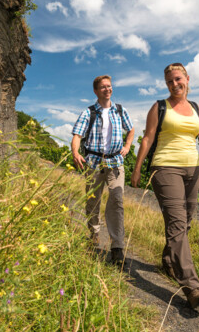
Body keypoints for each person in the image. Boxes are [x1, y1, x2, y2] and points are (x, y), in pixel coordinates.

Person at [130, 63, 199, 309]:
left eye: (178, 79)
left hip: (193, 169)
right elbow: (148, 138)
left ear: (187, 78)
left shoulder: (195, 108)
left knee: (185, 223)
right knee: (176, 224)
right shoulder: (159, 107)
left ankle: (169, 261)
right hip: (165, 168)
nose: (174, 85)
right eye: (170, 82)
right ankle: (192, 287)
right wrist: (138, 167)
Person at [71, 75, 135, 265]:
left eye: (109, 86)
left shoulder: (120, 110)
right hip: (93, 162)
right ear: (96, 91)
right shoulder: (88, 112)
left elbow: (131, 129)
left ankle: (117, 246)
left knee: (117, 200)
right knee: (93, 201)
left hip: (116, 162)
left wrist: (128, 146)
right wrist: (75, 152)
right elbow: (77, 134)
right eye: (103, 87)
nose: (107, 89)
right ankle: (94, 235)